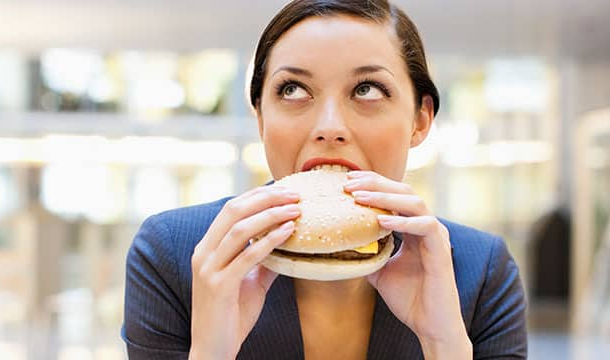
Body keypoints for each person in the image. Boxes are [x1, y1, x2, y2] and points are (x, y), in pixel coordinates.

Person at [121, 0, 528, 359]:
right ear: (261, 117)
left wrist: (443, 344)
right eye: (293, 89)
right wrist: (212, 353)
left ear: (420, 120)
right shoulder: (175, 256)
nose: (329, 128)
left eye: (367, 89)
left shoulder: (479, 271)